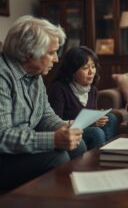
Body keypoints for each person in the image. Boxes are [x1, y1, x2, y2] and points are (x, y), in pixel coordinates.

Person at [0, 15, 86, 190]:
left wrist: (64, 128)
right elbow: (2, 136)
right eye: (51, 52)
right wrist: (52, 140)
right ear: (28, 53)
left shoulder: (34, 74)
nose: (56, 59)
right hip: (4, 156)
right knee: (57, 157)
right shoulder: (2, 76)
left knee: (78, 145)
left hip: (20, 149)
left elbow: (45, 116)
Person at [48, 46, 118, 150]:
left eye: (93, 66)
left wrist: (97, 116)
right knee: (96, 132)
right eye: (85, 68)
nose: (91, 72)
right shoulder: (59, 88)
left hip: (86, 128)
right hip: (68, 131)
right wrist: (90, 122)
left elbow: (89, 115)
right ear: (72, 71)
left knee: (111, 118)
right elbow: (55, 122)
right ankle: (97, 160)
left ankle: (106, 152)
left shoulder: (92, 89)